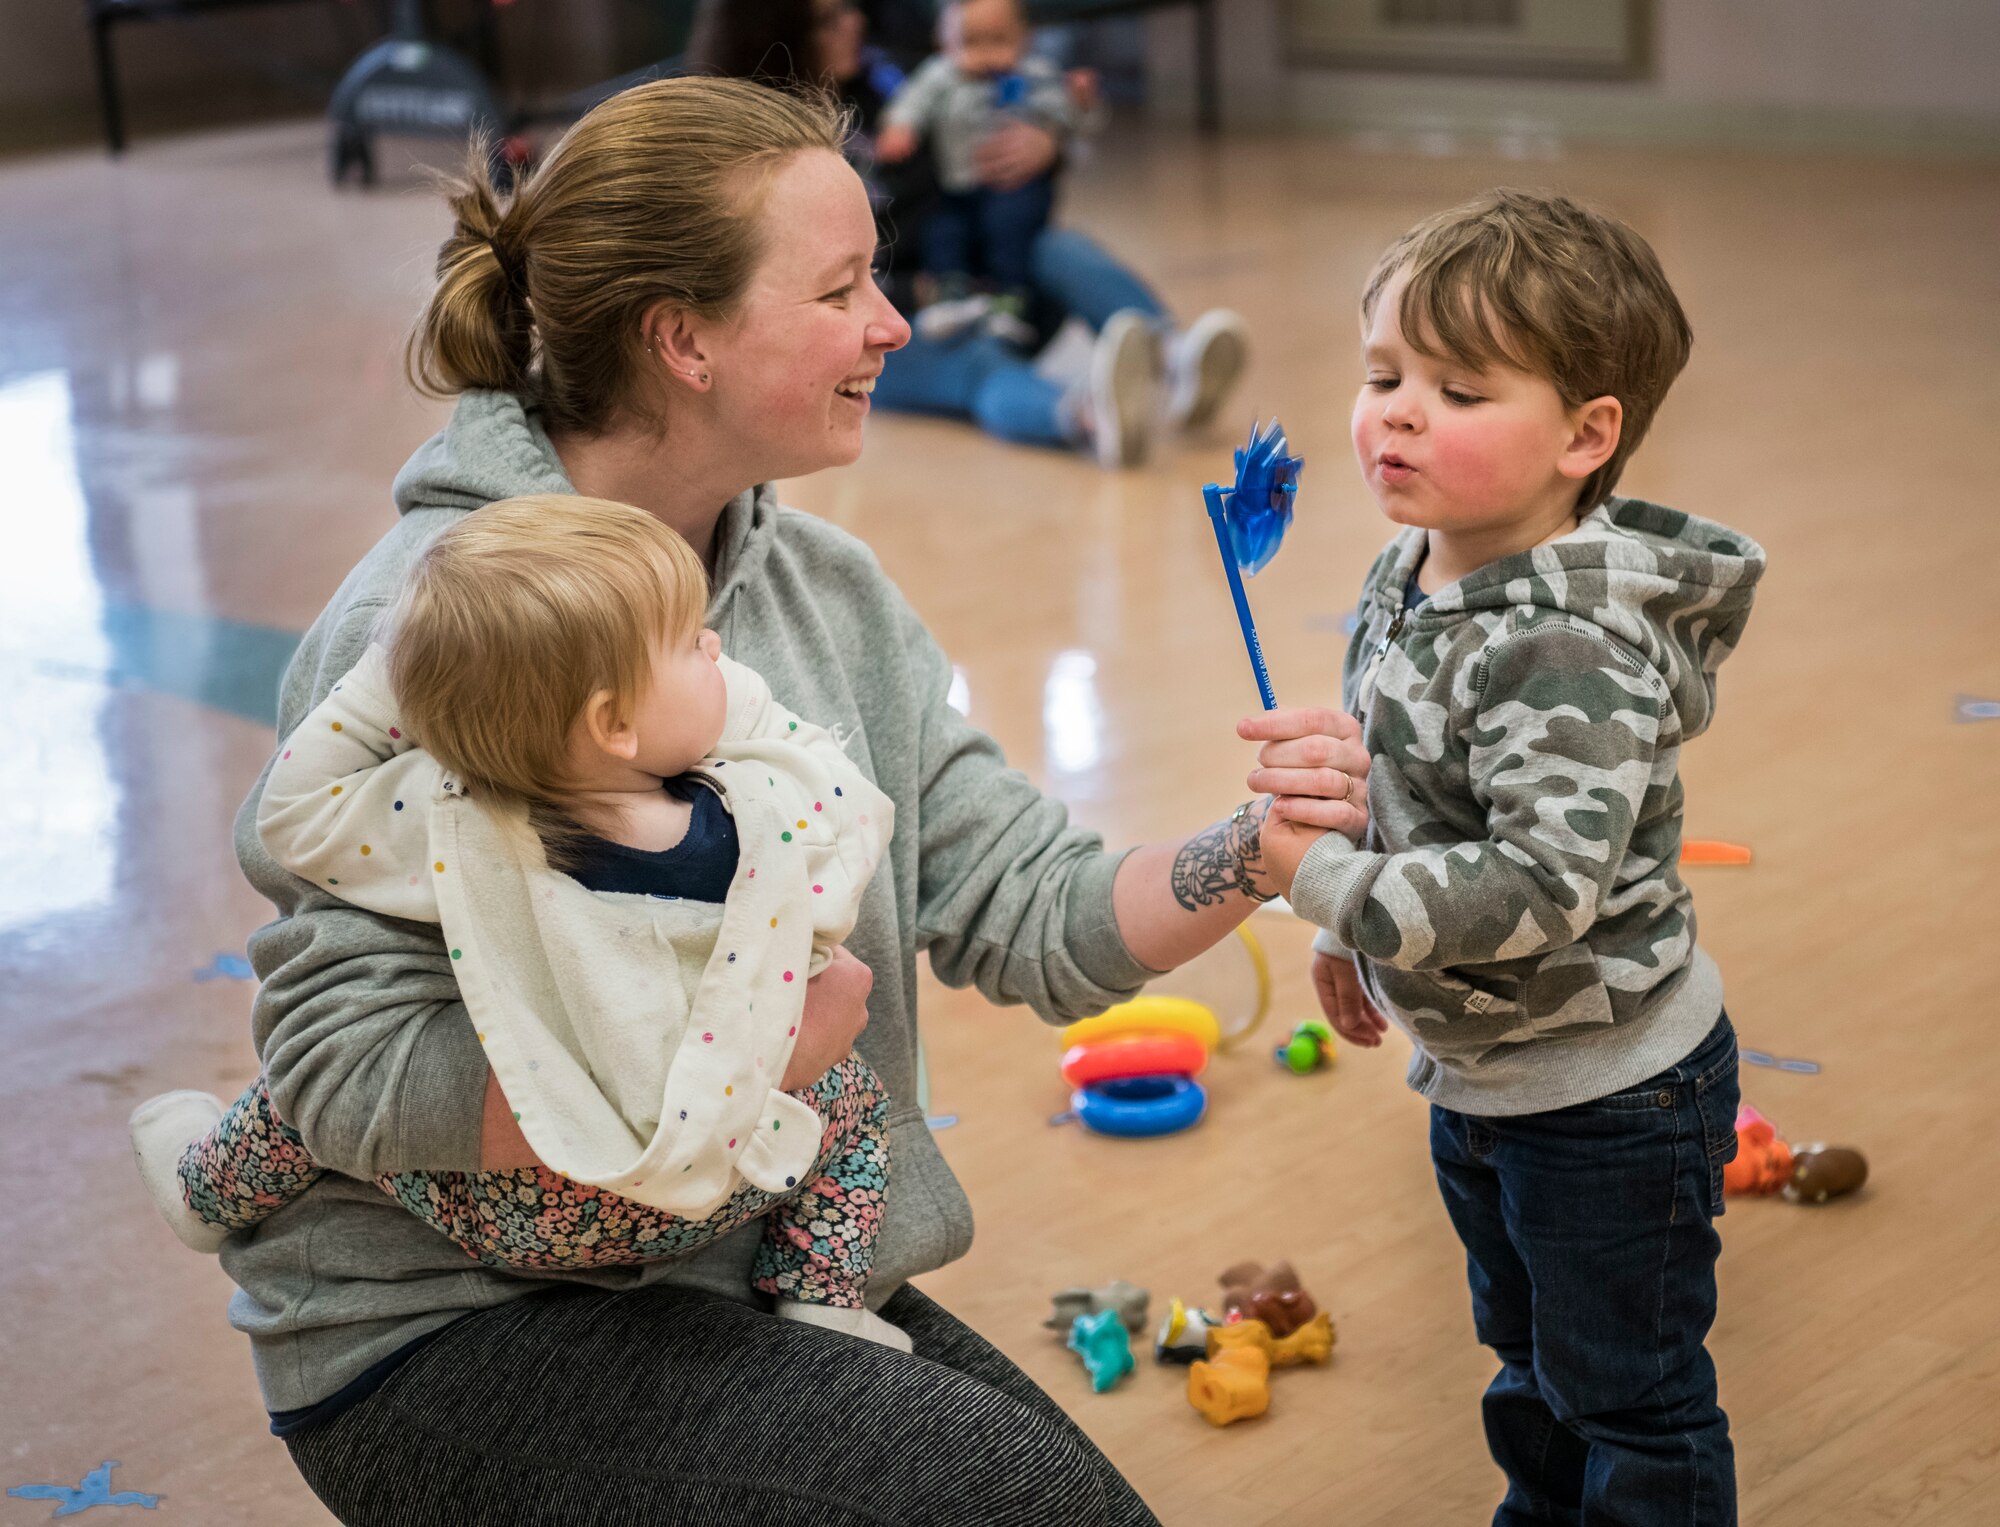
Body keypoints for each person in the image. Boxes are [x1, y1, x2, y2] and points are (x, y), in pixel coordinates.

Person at [199, 76, 1369, 1525]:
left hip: (731, 1271)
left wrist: (1251, 852)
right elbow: (335, 1062)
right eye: (841, 287)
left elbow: (1032, 906)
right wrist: (735, 1064)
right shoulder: (442, 624)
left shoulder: (830, 597)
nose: (893, 321)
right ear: (681, 339)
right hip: (445, 1321)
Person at [131, 494, 911, 1349]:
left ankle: (206, 1190)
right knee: (851, 1102)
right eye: (695, 644)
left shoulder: (455, 826)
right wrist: (735, 706)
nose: (719, 647)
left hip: (515, 1202)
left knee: (293, 1100)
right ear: (613, 724)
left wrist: (407, 668)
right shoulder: (759, 819)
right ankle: (823, 1296)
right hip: (715, 1176)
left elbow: (297, 808)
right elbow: (834, 788)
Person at [1293, 189, 1764, 1526]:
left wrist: (1321, 885)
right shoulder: (1412, 568)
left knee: (1634, 1395)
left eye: (1457, 388)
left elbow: (1534, 889)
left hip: (1608, 1093)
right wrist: (1353, 928)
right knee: (1533, 1363)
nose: (1395, 411)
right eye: (1383, 374)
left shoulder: (1566, 645)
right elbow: (1416, 790)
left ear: (1585, 434)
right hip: (1493, 1075)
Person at [687, 0, 1251, 470]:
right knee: (979, 362)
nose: (854, 23)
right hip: (883, 331)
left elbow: (985, 143)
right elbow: (785, 296)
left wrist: (1046, 142)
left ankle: (1176, 356)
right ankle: (1087, 417)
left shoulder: (894, 82)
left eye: (851, 9)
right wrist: (918, 294)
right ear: (779, 34)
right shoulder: (751, 151)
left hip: (987, 282)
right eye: (831, 18)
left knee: (1056, 248)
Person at [876, 0, 1080, 343]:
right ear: (947, 41)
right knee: (942, 233)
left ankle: (1009, 303)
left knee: (1010, 234)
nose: (986, 54)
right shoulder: (942, 72)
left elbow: (1062, 114)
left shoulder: (1033, 72)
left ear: (1025, 37)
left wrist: (1072, 111)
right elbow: (912, 101)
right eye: (972, 42)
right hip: (956, 186)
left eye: (999, 39)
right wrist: (900, 128)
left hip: (1013, 187)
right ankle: (949, 299)